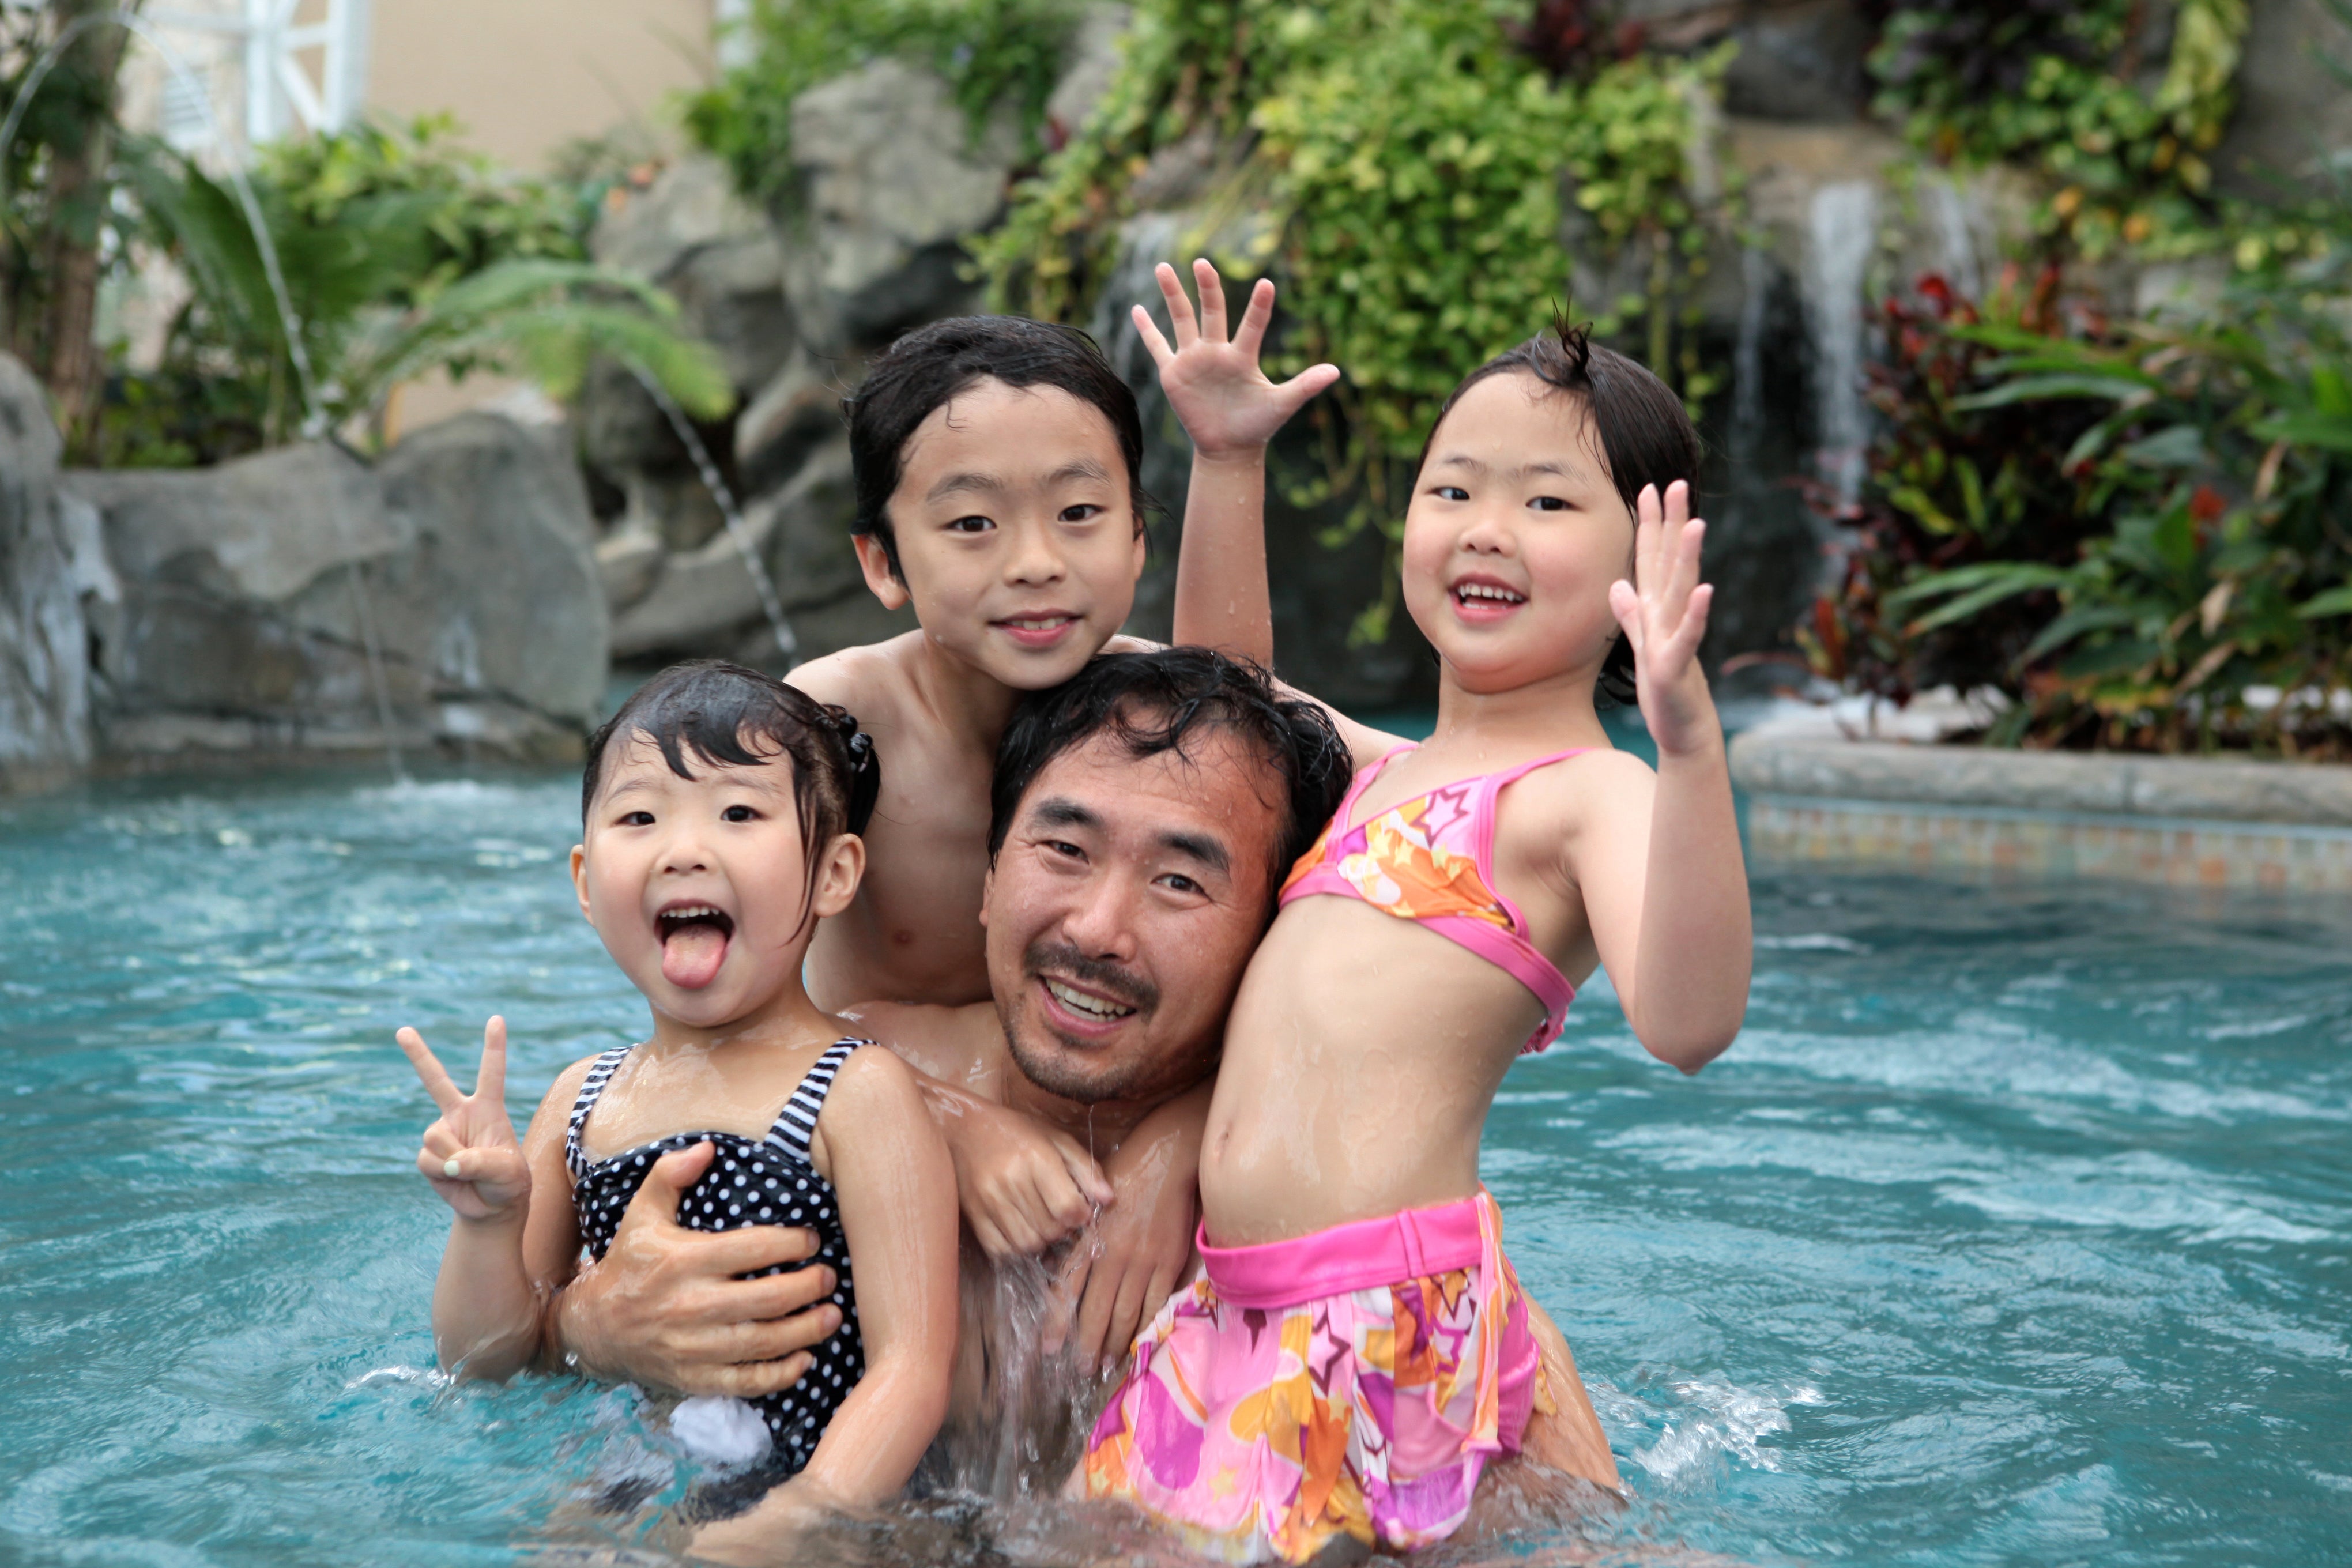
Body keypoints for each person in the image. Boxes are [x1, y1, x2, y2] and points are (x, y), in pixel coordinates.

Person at [538, 651, 1624, 1504]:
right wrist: (583, 1329)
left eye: (1180, 882)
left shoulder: (1333, 1198)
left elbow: (1577, 1517)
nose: (1099, 930)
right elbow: (509, 1340)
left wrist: (1179, 1149)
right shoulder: (826, 1082)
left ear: (1269, 933)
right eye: (1063, 851)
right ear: (987, 874)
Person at [1081, 326, 1754, 1562]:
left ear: (1647, 561)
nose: (1486, 527)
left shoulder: (1582, 796)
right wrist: (1228, 458)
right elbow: (1221, 707)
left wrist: (1691, 741)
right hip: (1235, 1303)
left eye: (1547, 499)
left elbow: (1690, 1022)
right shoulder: (1378, 771)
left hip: (1385, 1313)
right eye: (1453, 489)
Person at [395, 662, 960, 1567]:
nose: (683, 850)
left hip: (828, 1505)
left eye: (739, 814)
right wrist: (488, 1226)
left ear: (835, 872)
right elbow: (492, 1360)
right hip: (631, 1497)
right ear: (585, 881)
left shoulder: (855, 1090)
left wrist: (799, 1519)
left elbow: (910, 1368)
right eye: (639, 817)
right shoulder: (584, 1098)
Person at [786, 270, 1338, 1012]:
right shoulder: (835, 720)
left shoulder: (1142, 700)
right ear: (885, 564)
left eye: (1078, 511)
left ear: (1138, 539)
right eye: (974, 524)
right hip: (889, 1100)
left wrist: (1228, 458)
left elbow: (1238, 719)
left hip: (1087, 1088)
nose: (1037, 564)